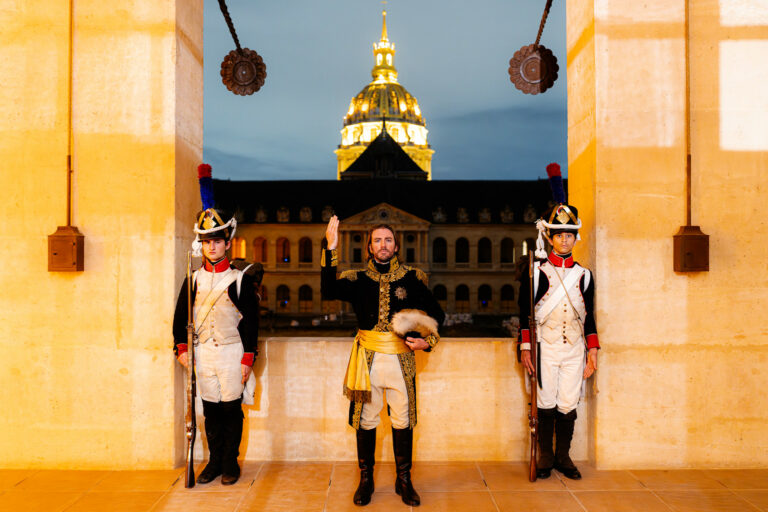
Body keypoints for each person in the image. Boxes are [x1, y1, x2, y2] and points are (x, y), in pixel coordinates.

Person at [322, 215, 445, 507]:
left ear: (396, 246)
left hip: (402, 360)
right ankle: (366, 480)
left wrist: (429, 341)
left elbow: (437, 315)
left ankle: (404, 480)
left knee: (403, 422)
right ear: (369, 247)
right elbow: (328, 290)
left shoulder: (412, 278)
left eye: (388, 240)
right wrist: (332, 248)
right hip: (367, 360)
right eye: (377, 240)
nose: (383, 245)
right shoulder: (357, 279)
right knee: (366, 422)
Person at [173, 207, 259, 485]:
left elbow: (251, 323)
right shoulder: (193, 279)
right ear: (202, 244)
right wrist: (182, 349)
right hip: (203, 354)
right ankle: (214, 462)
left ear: (227, 243)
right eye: (207, 241)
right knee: (210, 410)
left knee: (231, 410)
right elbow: (180, 319)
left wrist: (247, 358)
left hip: (232, 353)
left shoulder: (240, 279)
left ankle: (230, 463)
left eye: (217, 241)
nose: (212, 246)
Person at [518, 200, 599, 481]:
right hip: (545, 348)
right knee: (546, 403)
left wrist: (593, 351)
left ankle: (564, 457)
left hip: (575, 349)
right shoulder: (537, 272)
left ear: (575, 238)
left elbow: (589, 316)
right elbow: (525, 312)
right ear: (550, 238)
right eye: (559, 235)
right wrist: (526, 348)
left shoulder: (584, 276)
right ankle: (546, 457)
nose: (565, 240)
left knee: (568, 404)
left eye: (569, 235)